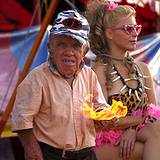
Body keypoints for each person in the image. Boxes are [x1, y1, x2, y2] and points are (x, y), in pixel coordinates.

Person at [11, 10, 109, 160]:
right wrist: (30, 147)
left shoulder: (89, 75)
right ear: (50, 47)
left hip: (86, 154)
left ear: (85, 51)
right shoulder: (37, 78)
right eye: (62, 44)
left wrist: (106, 116)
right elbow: (21, 117)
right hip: (51, 155)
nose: (69, 52)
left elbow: (99, 106)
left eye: (76, 46)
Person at [86, 1, 160, 160]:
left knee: (158, 130)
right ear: (109, 33)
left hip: (139, 134)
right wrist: (137, 122)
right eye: (128, 29)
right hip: (105, 142)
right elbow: (102, 121)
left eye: (136, 28)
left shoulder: (143, 69)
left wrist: (132, 128)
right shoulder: (100, 70)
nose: (135, 33)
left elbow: (153, 114)